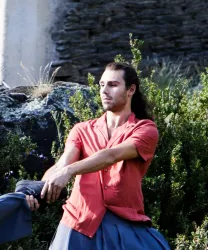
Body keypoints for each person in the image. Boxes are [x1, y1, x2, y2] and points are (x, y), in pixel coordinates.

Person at [39, 62, 169, 250]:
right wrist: (36, 190)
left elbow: (111, 155)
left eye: (113, 85)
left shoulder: (145, 129)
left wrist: (69, 171)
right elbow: (62, 164)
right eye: (101, 85)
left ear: (131, 89)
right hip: (78, 223)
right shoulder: (81, 129)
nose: (104, 91)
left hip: (124, 225)